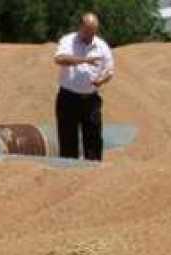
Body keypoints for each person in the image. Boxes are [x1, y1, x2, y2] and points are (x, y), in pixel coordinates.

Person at [53, 13, 114, 162]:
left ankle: (93, 171)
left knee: (93, 139)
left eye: (93, 32)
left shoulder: (102, 46)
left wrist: (102, 80)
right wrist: (84, 60)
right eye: (87, 31)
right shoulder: (68, 40)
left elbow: (110, 71)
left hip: (91, 100)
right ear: (80, 27)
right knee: (68, 140)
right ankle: (68, 171)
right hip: (68, 98)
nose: (90, 35)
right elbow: (59, 59)